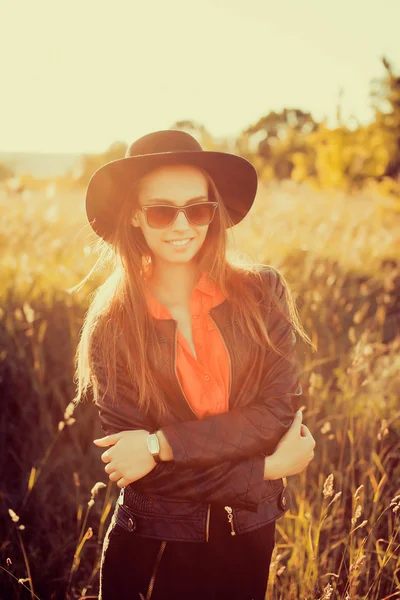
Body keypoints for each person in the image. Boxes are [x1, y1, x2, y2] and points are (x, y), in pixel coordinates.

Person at [72, 129, 316, 600]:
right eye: (163, 211)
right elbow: (136, 468)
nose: (182, 225)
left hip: (249, 534)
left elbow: (275, 418)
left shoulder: (264, 293)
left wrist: (159, 443)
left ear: (214, 213)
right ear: (136, 217)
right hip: (154, 542)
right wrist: (264, 470)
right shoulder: (112, 322)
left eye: (198, 209)